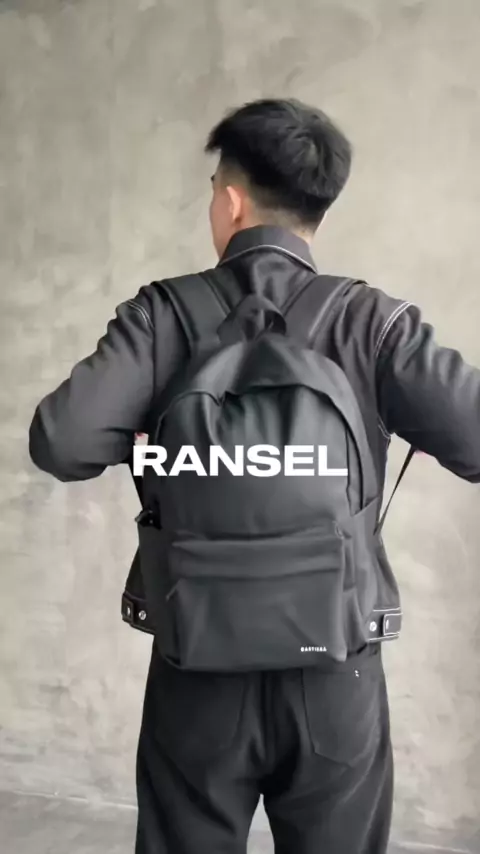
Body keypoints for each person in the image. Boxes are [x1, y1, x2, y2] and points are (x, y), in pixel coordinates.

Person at [28, 98, 480, 854]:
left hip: (198, 666)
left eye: (214, 188)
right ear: (318, 212)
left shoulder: (162, 317)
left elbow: (61, 442)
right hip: (335, 672)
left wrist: (151, 441)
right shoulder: (372, 323)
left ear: (231, 201)